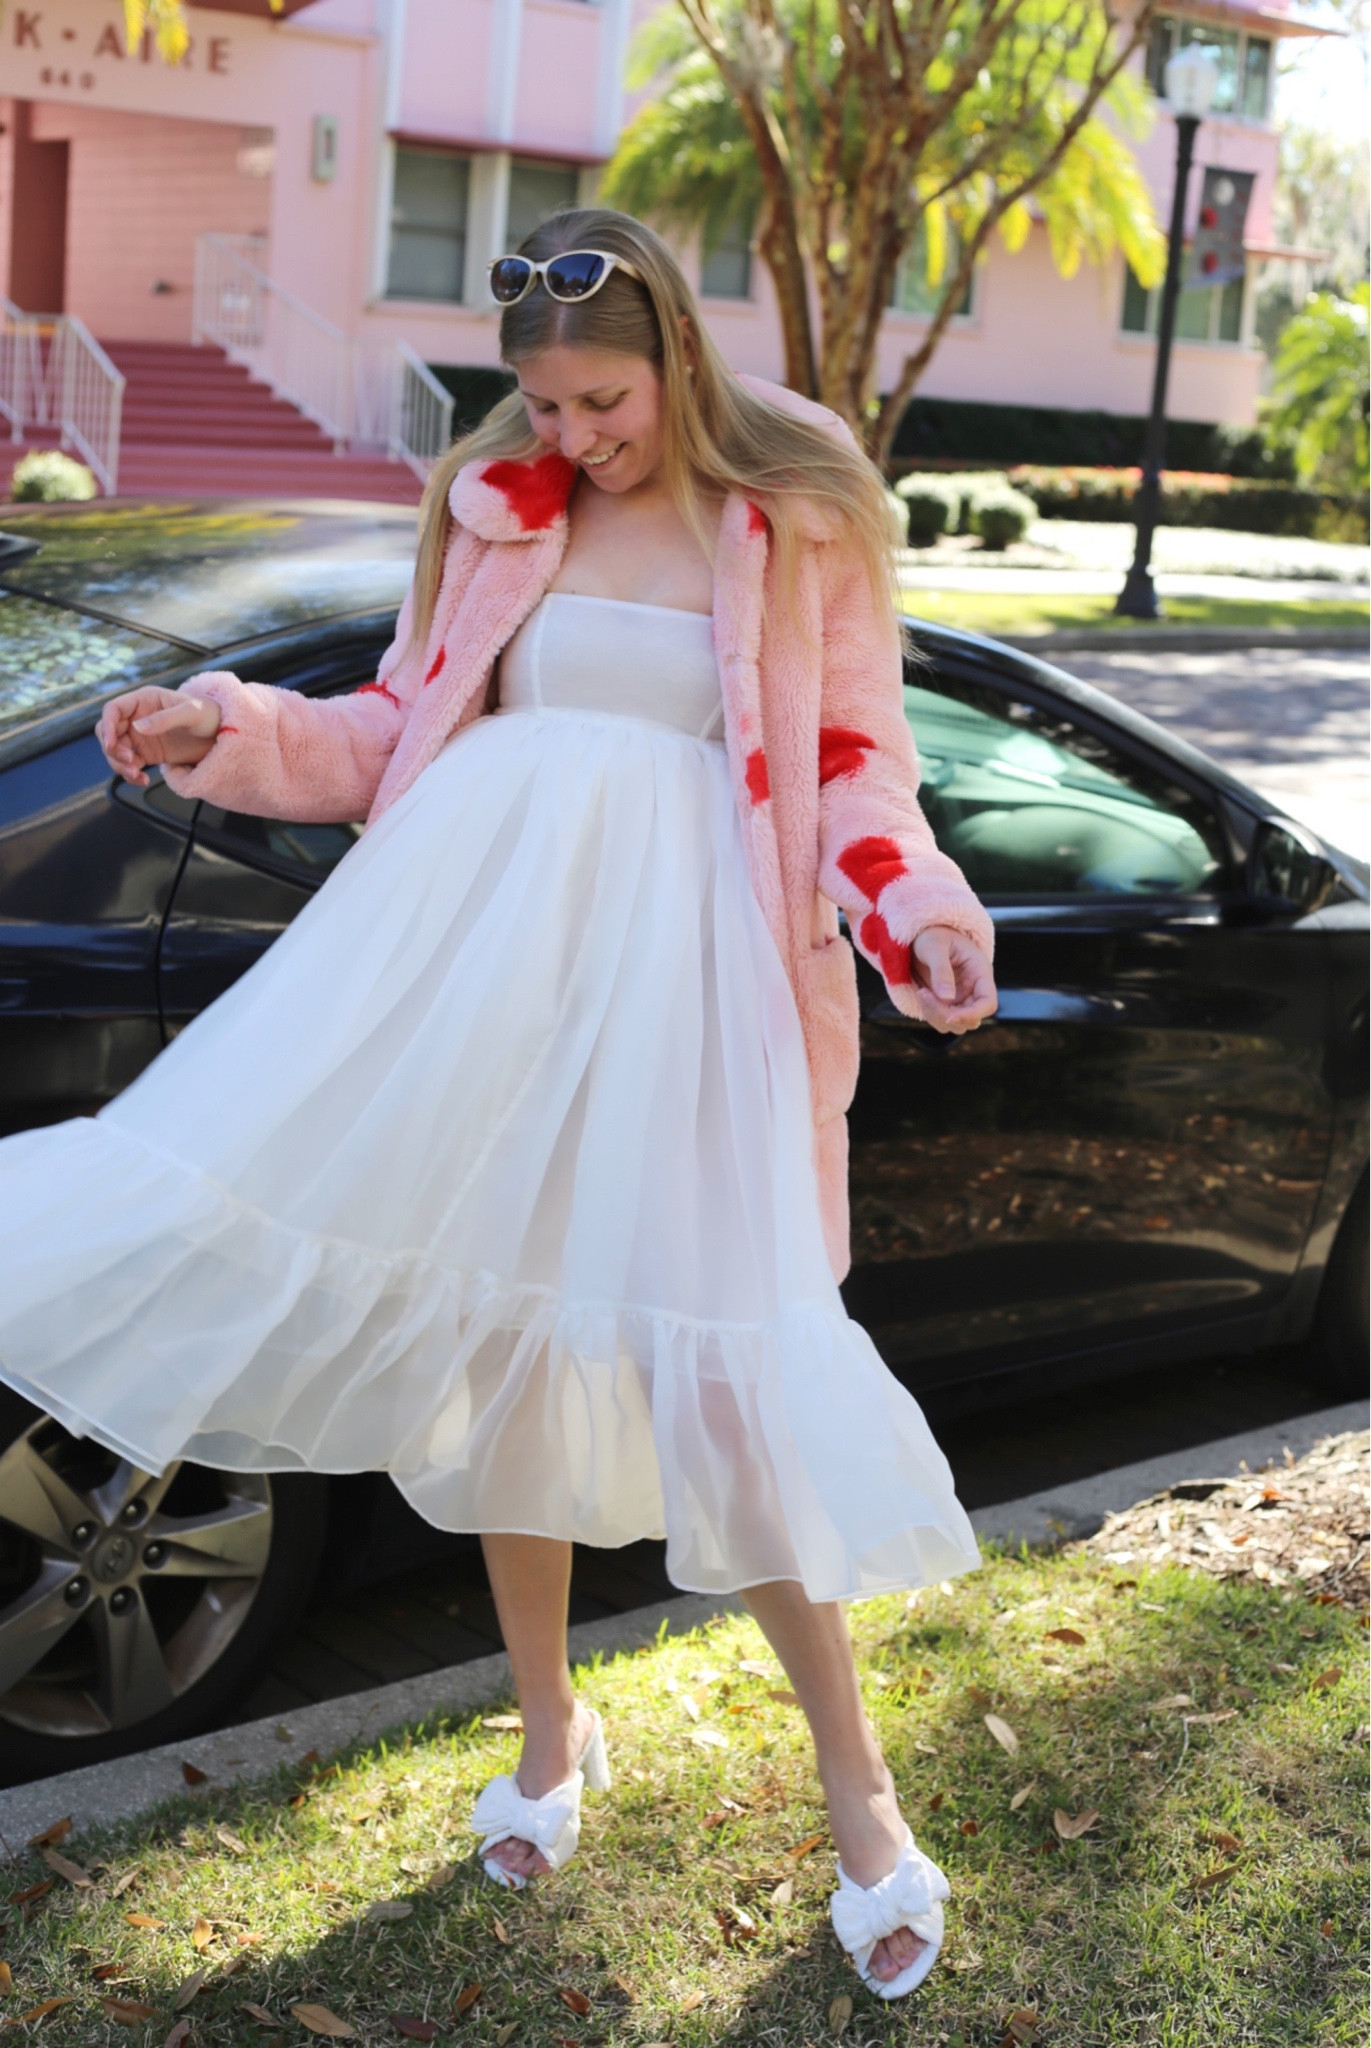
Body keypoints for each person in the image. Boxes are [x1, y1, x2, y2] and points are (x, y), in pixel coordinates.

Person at [0, 209, 997, 2001]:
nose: (575, 435)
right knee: (499, 1366)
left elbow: (854, 758)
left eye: (604, 400)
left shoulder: (800, 498)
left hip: (685, 997)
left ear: (678, 356)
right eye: (544, 403)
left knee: (740, 1379)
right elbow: (399, 723)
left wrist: (915, 906)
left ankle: (860, 1796)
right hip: (480, 978)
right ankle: (549, 1737)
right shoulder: (493, 498)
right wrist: (223, 726)